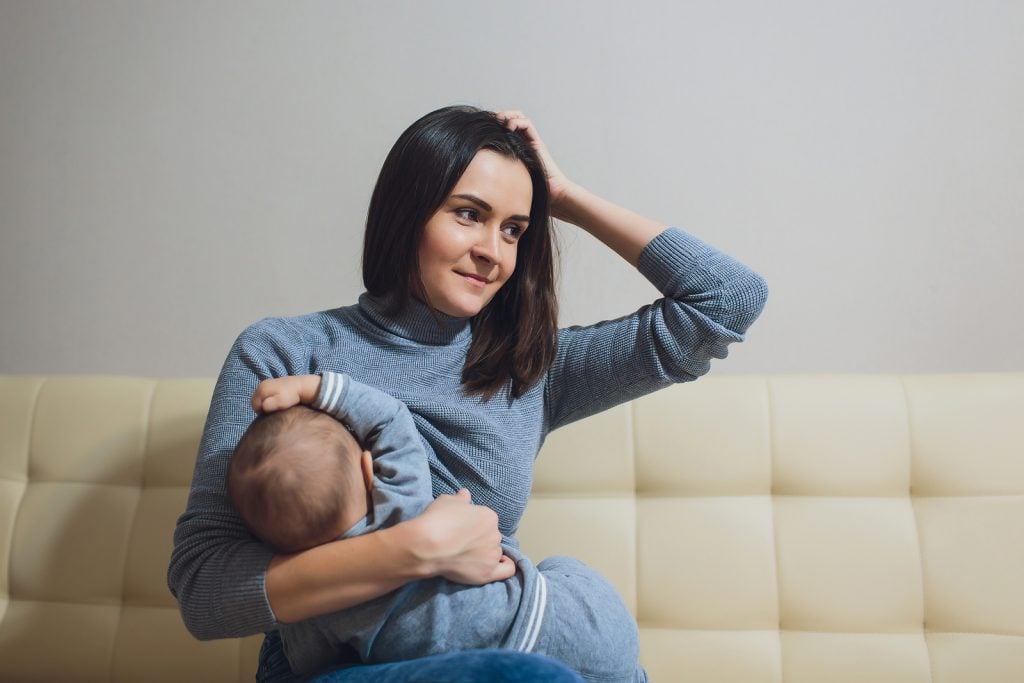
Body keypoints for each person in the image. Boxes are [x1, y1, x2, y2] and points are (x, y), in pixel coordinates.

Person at [168, 105, 769, 682]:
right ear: (407, 213)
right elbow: (205, 591)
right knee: (522, 676)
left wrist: (564, 197)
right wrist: (414, 550)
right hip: (337, 666)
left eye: (513, 229)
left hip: (489, 644)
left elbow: (729, 298)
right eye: (468, 214)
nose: (493, 251)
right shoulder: (285, 352)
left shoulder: (531, 366)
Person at [227, 371, 646, 680]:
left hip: (519, 652)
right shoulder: (400, 502)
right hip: (576, 616)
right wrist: (312, 388)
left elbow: (305, 666)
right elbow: (390, 419)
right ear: (368, 467)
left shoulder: (314, 606)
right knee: (559, 567)